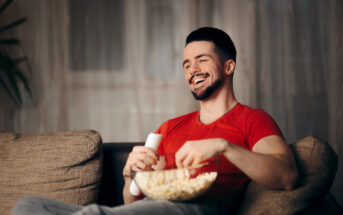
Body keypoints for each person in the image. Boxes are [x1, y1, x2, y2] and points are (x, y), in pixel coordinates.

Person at [11, 27, 298, 215]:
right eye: (186, 64)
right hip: (154, 207)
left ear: (228, 66)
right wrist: (130, 177)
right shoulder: (169, 127)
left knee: (93, 214)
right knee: (29, 206)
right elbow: (132, 204)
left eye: (201, 60)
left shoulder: (252, 119)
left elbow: (286, 176)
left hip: (201, 208)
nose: (192, 70)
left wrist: (223, 146)